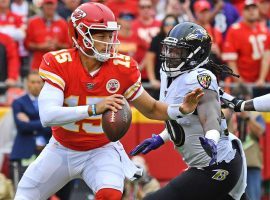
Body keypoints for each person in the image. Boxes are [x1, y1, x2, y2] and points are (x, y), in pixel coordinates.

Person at [14, 3, 204, 200]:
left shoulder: (122, 67)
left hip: (101, 150)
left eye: (110, 35)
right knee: (24, 196)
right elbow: (47, 116)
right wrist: (95, 108)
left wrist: (180, 109)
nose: (108, 41)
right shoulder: (59, 63)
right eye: (101, 35)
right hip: (61, 148)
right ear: (78, 34)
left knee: (110, 195)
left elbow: (152, 108)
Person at [130, 22, 248, 200]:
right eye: (169, 49)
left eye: (178, 51)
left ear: (196, 54)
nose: (170, 55)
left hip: (219, 164)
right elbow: (185, 117)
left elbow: (210, 114)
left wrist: (211, 138)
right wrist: (162, 138)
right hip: (212, 165)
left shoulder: (200, 77)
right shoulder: (167, 73)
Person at [145, 14, 179, 100]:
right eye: (167, 24)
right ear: (163, 25)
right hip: (160, 82)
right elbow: (149, 60)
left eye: (173, 23)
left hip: (177, 82)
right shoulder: (157, 39)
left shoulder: (182, 40)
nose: (170, 26)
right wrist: (152, 79)